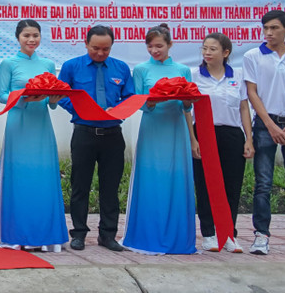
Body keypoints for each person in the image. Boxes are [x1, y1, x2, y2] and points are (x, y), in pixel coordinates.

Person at [0, 20, 67, 251]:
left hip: (41, 125)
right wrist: (23, 97)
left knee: (43, 177)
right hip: (19, 124)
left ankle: (44, 235)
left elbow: (52, 101)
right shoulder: (8, 63)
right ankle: (16, 234)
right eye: (26, 35)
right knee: (19, 176)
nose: (31, 40)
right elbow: (2, 96)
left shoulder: (48, 63)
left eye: (35, 35)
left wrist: (53, 100)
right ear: (18, 38)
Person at [122, 25, 197, 255]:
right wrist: (150, 103)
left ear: (170, 45)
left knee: (176, 181)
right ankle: (147, 237)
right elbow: (138, 101)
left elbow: (188, 105)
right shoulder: (141, 70)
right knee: (151, 180)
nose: (154, 50)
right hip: (152, 129)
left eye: (159, 46)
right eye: (150, 46)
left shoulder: (183, 69)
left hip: (176, 130)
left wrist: (185, 100)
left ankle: (177, 239)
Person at [58, 25, 133, 252]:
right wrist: (81, 111)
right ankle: (78, 233)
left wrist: (117, 109)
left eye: (105, 49)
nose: (100, 53)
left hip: (112, 135)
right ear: (86, 43)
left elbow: (129, 97)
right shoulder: (72, 67)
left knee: (110, 187)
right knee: (80, 185)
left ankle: (108, 235)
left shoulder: (121, 68)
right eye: (95, 48)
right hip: (84, 133)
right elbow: (61, 94)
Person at [192, 32, 253, 254]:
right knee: (205, 185)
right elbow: (187, 110)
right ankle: (208, 234)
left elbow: (244, 107)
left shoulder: (237, 75)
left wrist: (249, 139)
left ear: (225, 53)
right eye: (204, 48)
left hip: (232, 135)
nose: (207, 53)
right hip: (204, 134)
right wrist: (193, 139)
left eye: (213, 49)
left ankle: (228, 234)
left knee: (231, 186)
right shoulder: (194, 76)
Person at [243, 8, 285, 256]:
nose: (269, 33)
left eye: (274, 28)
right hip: (264, 123)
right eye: (266, 28)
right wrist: (271, 125)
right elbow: (252, 93)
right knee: (263, 183)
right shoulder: (253, 56)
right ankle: (261, 235)